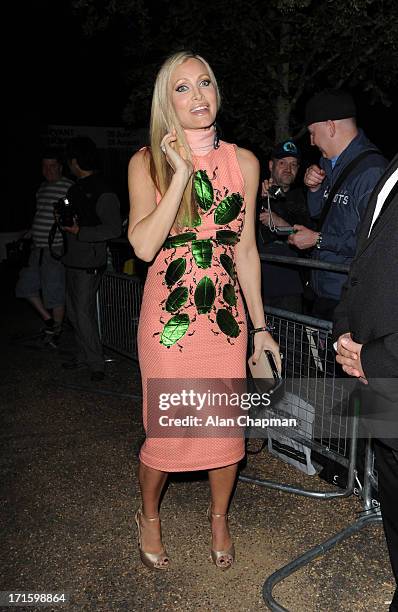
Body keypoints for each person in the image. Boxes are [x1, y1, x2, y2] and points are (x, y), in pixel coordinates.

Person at [127, 51, 280, 571]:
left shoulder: (245, 163)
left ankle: (219, 517)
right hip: (169, 322)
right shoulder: (144, 162)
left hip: (223, 320)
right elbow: (145, 247)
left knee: (223, 428)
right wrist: (179, 173)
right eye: (183, 88)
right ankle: (149, 513)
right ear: (166, 103)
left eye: (205, 83)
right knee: (169, 430)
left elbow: (247, 251)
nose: (198, 95)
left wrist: (261, 329)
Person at [333, 154, 398, 612]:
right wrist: (344, 333)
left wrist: (374, 357)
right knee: (393, 488)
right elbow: (361, 268)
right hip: (378, 375)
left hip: (385, 362)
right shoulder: (389, 171)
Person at [288, 89, 387, 320]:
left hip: (351, 297)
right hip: (325, 290)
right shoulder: (328, 164)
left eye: (313, 133)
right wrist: (313, 189)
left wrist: (318, 240)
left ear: (330, 126)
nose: (311, 142)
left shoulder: (371, 172)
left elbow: (374, 243)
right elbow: (317, 214)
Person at [61, 136, 121, 381]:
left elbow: (114, 229)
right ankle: (85, 355)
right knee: (74, 313)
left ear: (75, 161)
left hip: (89, 262)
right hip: (71, 258)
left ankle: (96, 364)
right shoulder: (74, 188)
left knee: (83, 313)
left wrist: (80, 232)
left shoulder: (103, 190)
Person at [15, 151, 73, 346]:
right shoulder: (41, 188)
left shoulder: (68, 187)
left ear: (60, 167)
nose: (48, 170)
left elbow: (71, 218)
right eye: (44, 166)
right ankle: (49, 321)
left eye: (52, 166)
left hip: (54, 249)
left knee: (54, 291)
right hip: (36, 248)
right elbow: (40, 214)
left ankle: (56, 331)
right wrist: (30, 232)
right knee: (25, 286)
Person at [258, 139, 311, 313]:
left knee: (291, 338)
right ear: (271, 165)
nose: (288, 169)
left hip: (289, 289)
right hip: (257, 286)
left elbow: (311, 240)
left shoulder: (304, 198)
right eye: (282, 163)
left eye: (294, 164)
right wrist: (258, 196)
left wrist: (281, 223)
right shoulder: (254, 192)